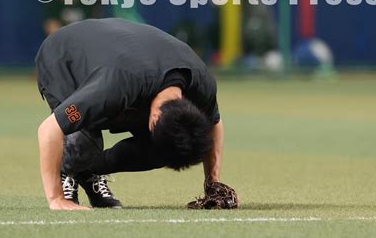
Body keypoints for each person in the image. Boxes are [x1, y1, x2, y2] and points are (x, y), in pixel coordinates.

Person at [35, 18, 232, 210]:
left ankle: (87, 171)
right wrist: (56, 198)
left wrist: (212, 184)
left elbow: (214, 123)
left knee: (162, 151)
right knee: (83, 142)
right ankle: (66, 173)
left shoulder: (201, 85)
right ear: (153, 119)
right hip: (64, 54)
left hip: (120, 55)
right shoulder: (113, 88)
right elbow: (49, 129)